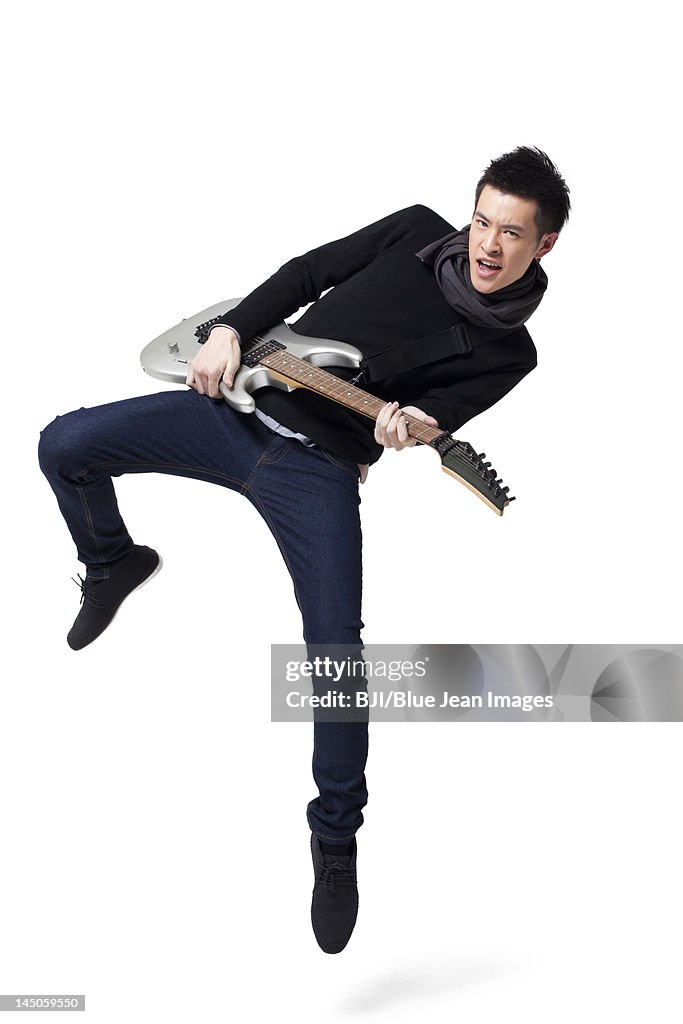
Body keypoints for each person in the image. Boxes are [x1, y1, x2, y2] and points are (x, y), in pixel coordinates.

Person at [38, 145, 571, 954]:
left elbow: (429, 420)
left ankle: (334, 838)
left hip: (313, 469)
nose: (488, 246)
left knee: (333, 657)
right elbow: (302, 273)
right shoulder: (413, 230)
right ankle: (114, 561)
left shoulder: (506, 354)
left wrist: (400, 430)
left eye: (511, 234)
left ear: (545, 244)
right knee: (62, 444)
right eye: (482, 222)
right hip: (233, 403)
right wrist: (228, 333)